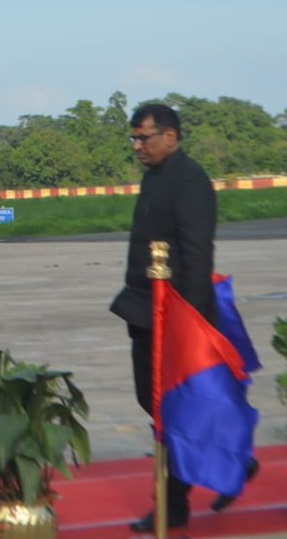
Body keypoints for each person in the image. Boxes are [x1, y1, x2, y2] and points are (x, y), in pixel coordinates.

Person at [110, 103, 256, 531]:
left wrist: (190, 322)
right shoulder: (155, 177)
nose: (138, 146)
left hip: (175, 314)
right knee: (152, 401)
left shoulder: (189, 181)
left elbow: (196, 255)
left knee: (171, 408)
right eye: (134, 138)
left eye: (145, 137)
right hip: (142, 307)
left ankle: (174, 503)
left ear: (170, 136)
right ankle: (233, 459)